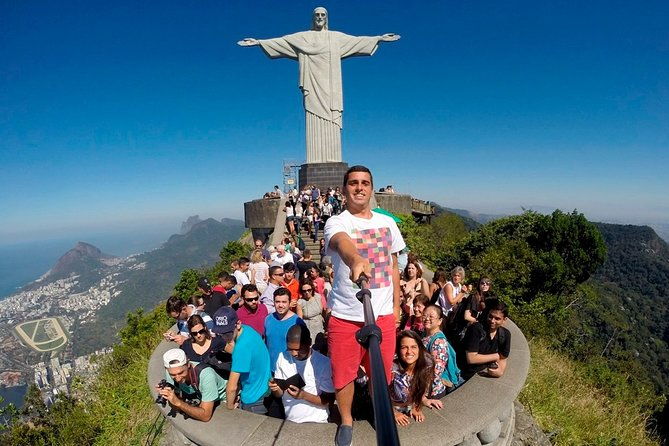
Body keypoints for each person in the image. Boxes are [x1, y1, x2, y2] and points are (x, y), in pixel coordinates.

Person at [238, 7, 399, 165]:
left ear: (326, 18)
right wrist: (259, 42)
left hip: (331, 88)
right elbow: (282, 41)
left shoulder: (335, 38)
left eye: (323, 15)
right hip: (312, 85)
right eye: (317, 15)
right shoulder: (303, 38)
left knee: (331, 116)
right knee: (313, 115)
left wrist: (379, 38)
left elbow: (357, 41)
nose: (320, 17)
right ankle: (315, 159)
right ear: (313, 18)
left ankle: (333, 158)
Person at [324, 165, 405, 446]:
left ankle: (380, 412)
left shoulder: (388, 223)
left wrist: (396, 305)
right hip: (346, 315)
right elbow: (342, 242)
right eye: (353, 183)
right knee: (343, 375)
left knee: (380, 373)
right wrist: (356, 259)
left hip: (382, 314)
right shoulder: (337, 222)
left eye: (365, 183)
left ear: (371, 188)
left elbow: (394, 266)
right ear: (344, 189)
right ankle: (346, 420)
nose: (359, 188)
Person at [269, 325, 335, 423]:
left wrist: (303, 395)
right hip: (290, 420)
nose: (294, 354)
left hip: (317, 421)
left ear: (309, 343)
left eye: (299, 349)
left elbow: (328, 400)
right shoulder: (282, 357)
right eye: (290, 349)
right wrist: (275, 389)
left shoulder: (323, 363)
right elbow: (279, 394)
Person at [156, 348, 227, 422]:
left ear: (188, 364)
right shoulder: (172, 371)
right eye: (173, 375)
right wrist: (168, 396)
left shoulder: (207, 375)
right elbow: (175, 406)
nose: (178, 378)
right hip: (199, 395)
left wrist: (179, 403)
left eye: (181, 373)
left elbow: (206, 416)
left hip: (223, 398)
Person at [221, 316, 272, 414]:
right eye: (222, 333)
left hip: (253, 398)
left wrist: (230, 406)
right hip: (265, 386)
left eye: (228, 333)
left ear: (238, 324)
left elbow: (232, 388)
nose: (225, 337)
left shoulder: (240, 348)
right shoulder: (247, 330)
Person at [390, 331, 442, 426]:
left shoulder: (427, 365)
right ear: (398, 350)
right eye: (404, 347)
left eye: (413, 347)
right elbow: (377, 396)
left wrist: (421, 402)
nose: (409, 352)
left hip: (409, 406)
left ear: (420, 348)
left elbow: (422, 389)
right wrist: (393, 413)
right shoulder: (391, 369)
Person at [462, 298, 511, 380]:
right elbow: (471, 358)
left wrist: (500, 371)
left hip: (484, 372)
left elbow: (503, 358)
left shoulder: (505, 335)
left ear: (504, 320)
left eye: (497, 318)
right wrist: (496, 356)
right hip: (465, 375)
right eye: (490, 316)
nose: (492, 321)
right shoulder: (476, 329)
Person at [422, 305, 462, 398]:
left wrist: (424, 393)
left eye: (431, 316)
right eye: (424, 315)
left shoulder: (438, 342)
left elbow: (436, 371)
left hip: (432, 391)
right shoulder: (426, 335)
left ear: (440, 321)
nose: (427, 318)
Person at [264, 287, 305, 373]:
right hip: (270, 369)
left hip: (291, 370)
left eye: (284, 302)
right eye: (277, 302)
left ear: (290, 303)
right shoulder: (268, 319)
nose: (280, 305)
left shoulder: (297, 322)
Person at [181, 314, 231, 378]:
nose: (198, 335)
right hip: (197, 381)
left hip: (220, 379)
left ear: (205, 328)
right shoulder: (186, 345)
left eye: (201, 331)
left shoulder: (218, 342)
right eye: (194, 333)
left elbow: (234, 355)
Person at [297, 279, 324, 343]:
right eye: (304, 291)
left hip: (320, 326)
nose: (307, 292)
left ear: (312, 289)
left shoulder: (318, 296)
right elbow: (300, 320)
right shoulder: (300, 302)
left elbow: (323, 312)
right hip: (309, 329)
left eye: (309, 290)